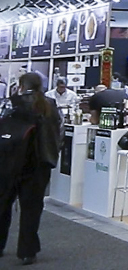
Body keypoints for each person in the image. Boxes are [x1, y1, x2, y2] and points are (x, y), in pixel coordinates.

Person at [0, 73, 61, 264]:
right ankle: (27, 251)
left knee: (2, 205)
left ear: (21, 85)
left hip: (9, 162)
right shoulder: (49, 105)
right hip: (38, 164)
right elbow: (57, 133)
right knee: (31, 210)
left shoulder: (10, 104)